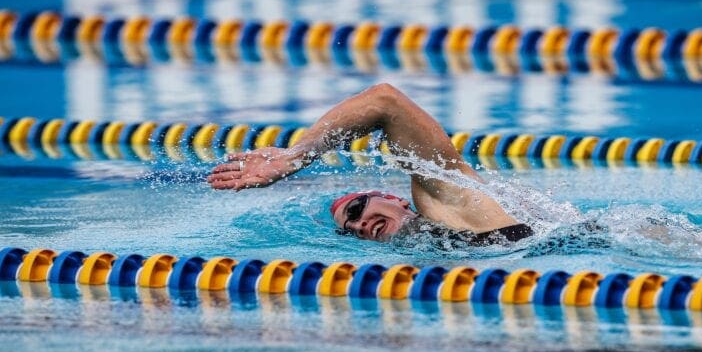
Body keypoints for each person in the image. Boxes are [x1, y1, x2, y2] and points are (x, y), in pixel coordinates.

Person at [207, 83, 533, 246]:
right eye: (349, 231)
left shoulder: (446, 199)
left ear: (396, 199)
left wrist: (296, 157)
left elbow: (384, 101)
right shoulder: (435, 248)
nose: (358, 225)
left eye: (355, 210)